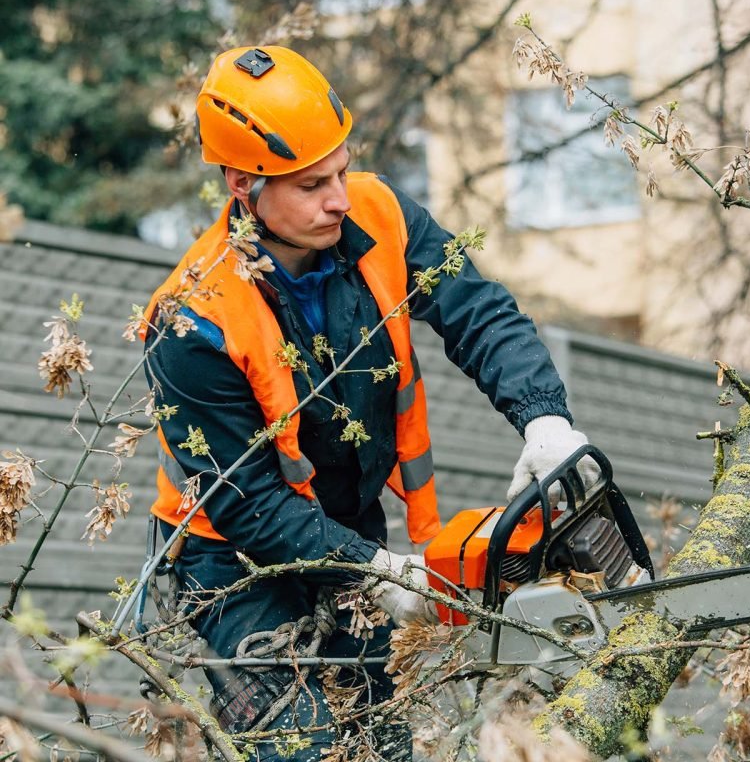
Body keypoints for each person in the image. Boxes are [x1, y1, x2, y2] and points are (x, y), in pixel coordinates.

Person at [141, 45, 597, 761]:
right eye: (312, 184)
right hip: (229, 564)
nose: (340, 199)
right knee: (305, 743)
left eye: (343, 170)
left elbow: (478, 312)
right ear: (241, 183)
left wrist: (546, 418)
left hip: (349, 519)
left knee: (381, 738)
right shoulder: (192, 322)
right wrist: (379, 572)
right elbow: (247, 504)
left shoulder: (380, 213)